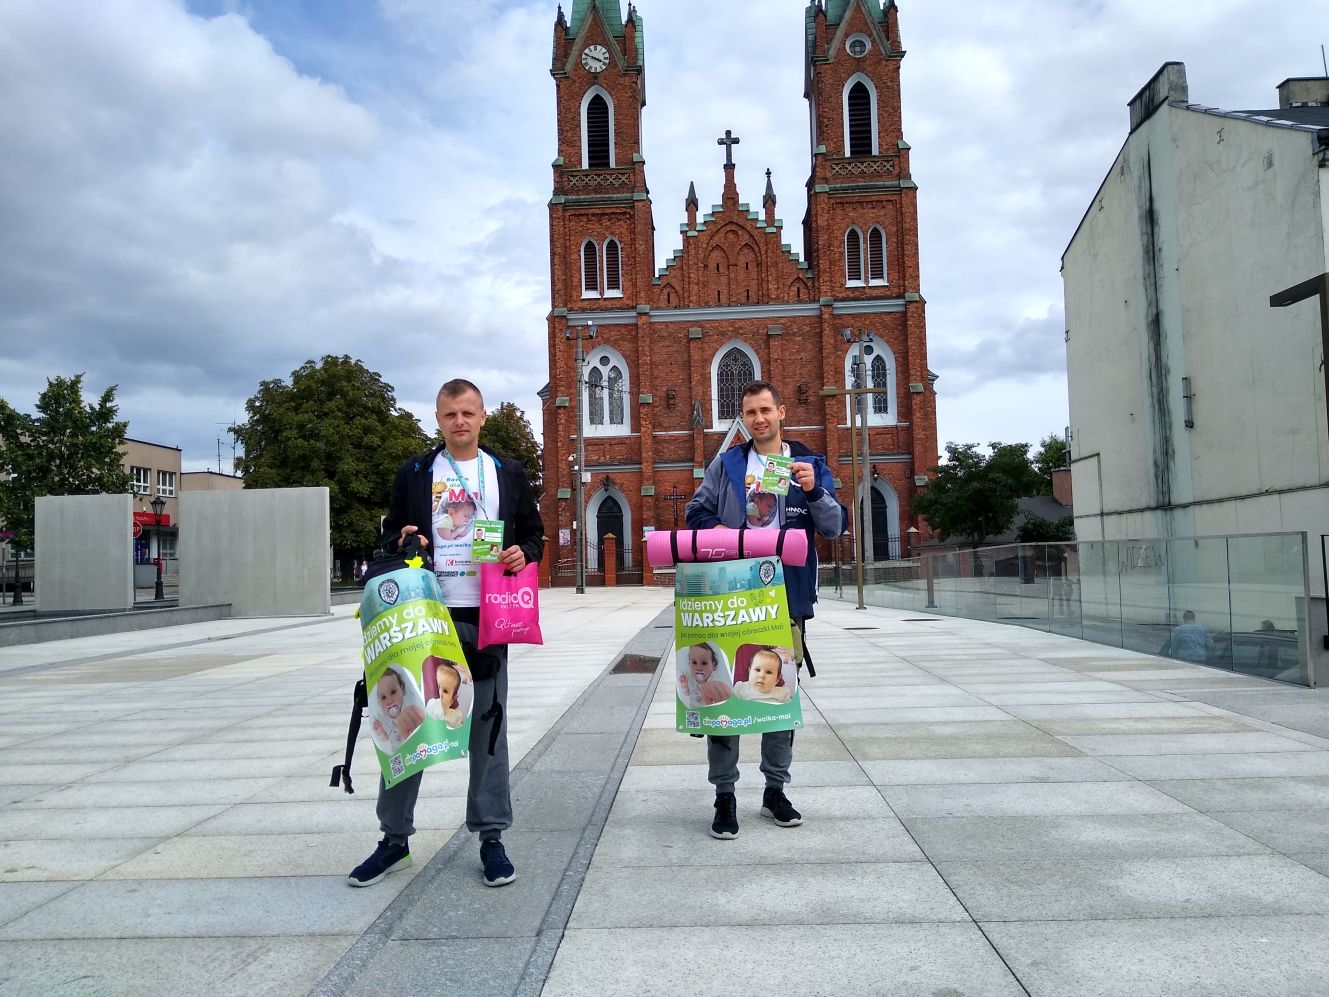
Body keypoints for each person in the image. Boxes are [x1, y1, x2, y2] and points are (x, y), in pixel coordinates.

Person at [347, 378, 544, 890]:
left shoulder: (508, 472)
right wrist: (402, 535)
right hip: (424, 617)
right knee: (408, 724)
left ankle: (491, 836)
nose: (460, 421)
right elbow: (390, 533)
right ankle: (394, 840)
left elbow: (533, 534)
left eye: (469, 413)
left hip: (488, 614)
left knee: (488, 730)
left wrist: (526, 552)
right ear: (439, 419)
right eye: (450, 414)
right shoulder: (415, 473)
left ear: (483, 418)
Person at [685, 379, 845, 839]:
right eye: (750, 412)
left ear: (781, 412)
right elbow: (696, 514)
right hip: (731, 596)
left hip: (786, 596)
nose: (759, 419)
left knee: (778, 697)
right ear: (743, 418)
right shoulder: (727, 463)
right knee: (727, 699)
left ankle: (775, 790)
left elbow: (834, 527)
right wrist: (731, 538)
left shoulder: (807, 463)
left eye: (765, 410)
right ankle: (724, 796)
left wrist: (814, 491)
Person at [370, 667, 425, 752]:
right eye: (383, 697)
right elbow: (386, 739)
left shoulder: (409, 706)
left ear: (402, 689)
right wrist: (380, 732)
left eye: (393, 692)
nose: (389, 700)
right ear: (379, 702)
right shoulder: (384, 719)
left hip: (416, 747)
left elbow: (422, 721)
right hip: (398, 752)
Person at [678, 642, 732, 708]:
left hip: (710, 709)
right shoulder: (690, 678)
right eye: (694, 662)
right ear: (689, 663)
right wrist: (684, 686)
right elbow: (687, 694)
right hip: (695, 709)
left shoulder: (714, 679)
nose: (699, 667)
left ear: (713, 665)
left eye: (704, 663)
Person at [424, 657, 470, 730]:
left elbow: (460, 731)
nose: (440, 694)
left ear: (453, 699)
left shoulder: (456, 715)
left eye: (445, 691)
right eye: (438, 688)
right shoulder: (432, 705)